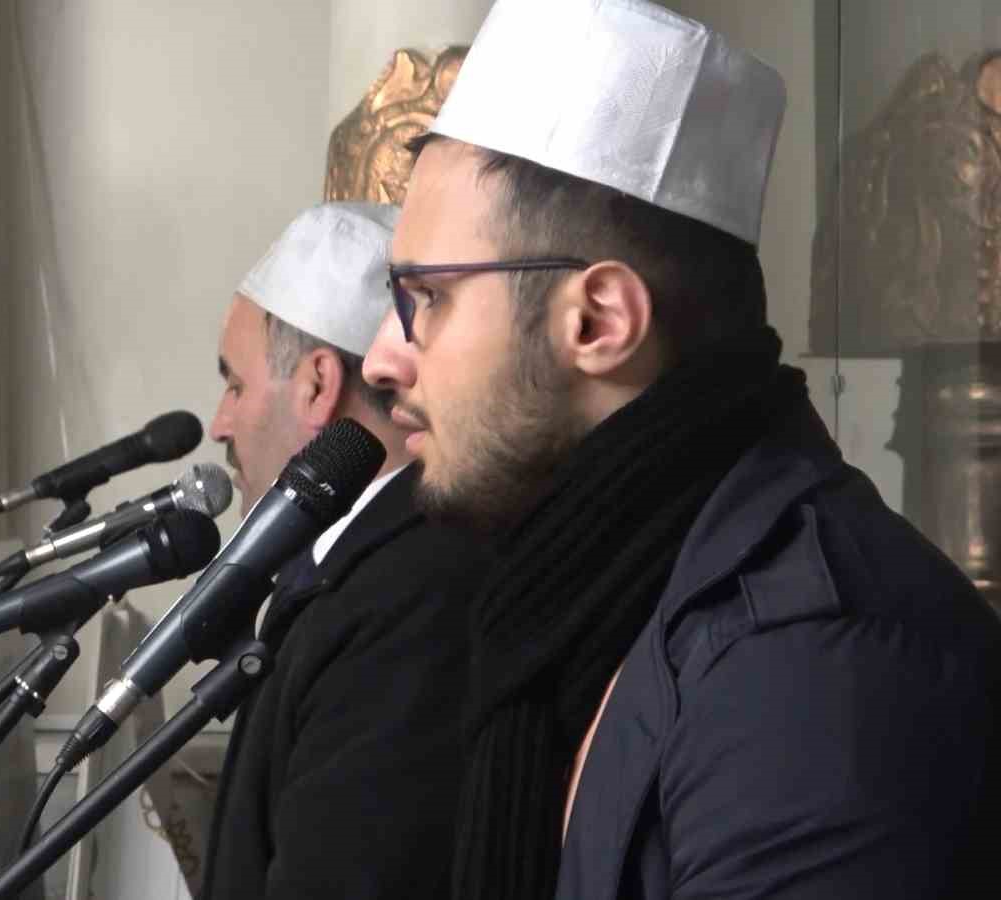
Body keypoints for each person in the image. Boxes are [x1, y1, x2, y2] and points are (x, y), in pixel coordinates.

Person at [362, 1, 1001, 897]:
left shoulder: (807, 666)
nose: (381, 360)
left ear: (598, 321)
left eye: (426, 296)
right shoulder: (576, 604)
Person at [200, 202, 486, 900]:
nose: (220, 425)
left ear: (319, 385)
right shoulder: (357, 561)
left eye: (235, 385)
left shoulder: (410, 592)